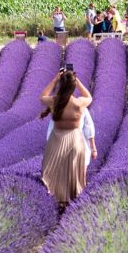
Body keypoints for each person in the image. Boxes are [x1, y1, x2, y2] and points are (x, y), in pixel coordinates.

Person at [39, 67, 92, 210]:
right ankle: (73, 205)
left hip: (57, 140)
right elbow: (89, 97)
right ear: (73, 87)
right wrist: (77, 81)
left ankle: (56, 203)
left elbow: (42, 96)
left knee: (52, 173)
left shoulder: (55, 101)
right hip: (75, 141)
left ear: (61, 85)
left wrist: (55, 79)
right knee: (73, 175)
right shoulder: (79, 103)